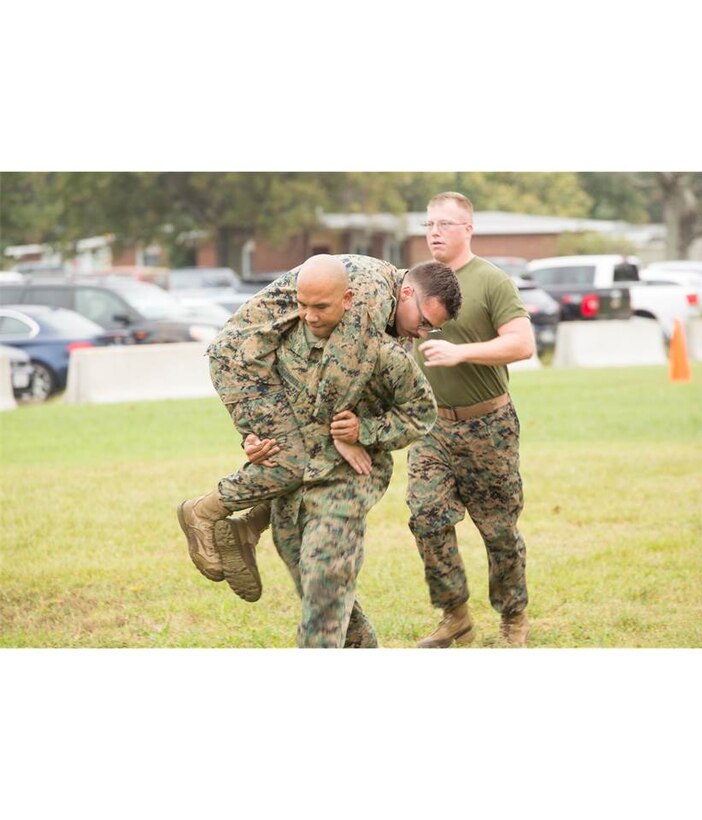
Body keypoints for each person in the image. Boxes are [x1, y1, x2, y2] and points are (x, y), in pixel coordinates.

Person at [177, 254, 462, 603]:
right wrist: (343, 438)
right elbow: (338, 375)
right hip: (245, 362)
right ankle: (203, 512)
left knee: (300, 457)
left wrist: (361, 431)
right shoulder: (370, 296)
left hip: (274, 364)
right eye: (423, 321)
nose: (421, 333)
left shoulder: (387, 301)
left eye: (431, 329)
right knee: (295, 460)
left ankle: (249, 527)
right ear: (406, 294)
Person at [407, 192, 535, 648]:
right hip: (431, 428)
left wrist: (462, 352)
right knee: (426, 516)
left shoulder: (492, 281)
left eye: (444, 223)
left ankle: (513, 617)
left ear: (468, 229)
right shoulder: (414, 282)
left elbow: (522, 344)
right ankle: (454, 614)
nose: (434, 232)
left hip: (487, 426)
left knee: (498, 530)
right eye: (428, 224)